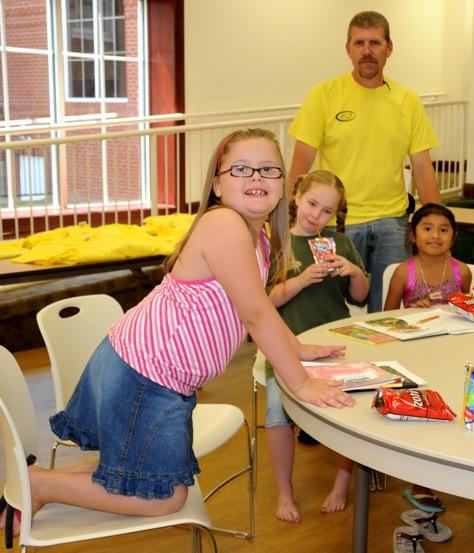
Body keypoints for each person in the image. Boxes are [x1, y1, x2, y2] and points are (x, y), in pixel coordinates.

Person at [1, 128, 356, 538]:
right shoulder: (224, 224)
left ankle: (41, 481)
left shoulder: (257, 234)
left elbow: (257, 305)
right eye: (241, 168)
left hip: (148, 371)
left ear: (282, 185)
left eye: (268, 170)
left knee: (139, 471)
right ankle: (38, 484)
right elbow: (257, 315)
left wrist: (297, 348)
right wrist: (301, 381)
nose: (256, 177)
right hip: (144, 375)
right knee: (165, 495)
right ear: (219, 184)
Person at [288, 10, 441, 313]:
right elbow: (299, 167)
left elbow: (423, 166)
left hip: (392, 224)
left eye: (375, 42)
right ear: (348, 49)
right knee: (336, 309)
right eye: (359, 43)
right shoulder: (324, 95)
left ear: (389, 48)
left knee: (388, 311)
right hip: (336, 225)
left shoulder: (407, 100)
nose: (367, 51)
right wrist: (286, 221)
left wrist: (437, 222)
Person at [265, 170, 370, 523]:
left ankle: (341, 485)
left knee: (345, 415)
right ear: (296, 196)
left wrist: (353, 271)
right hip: (283, 344)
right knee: (277, 418)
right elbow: (266, 302)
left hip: (336, 343)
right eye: (312, 204)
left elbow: (360, 297)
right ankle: (284, 491)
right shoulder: (274, 242)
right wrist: (301, 280)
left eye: (327, 211)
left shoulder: (339, 244)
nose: (316, 215)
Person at [384, 203, 472, 310]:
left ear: (453, 238)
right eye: (427, 229)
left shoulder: (463, 272)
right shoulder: (402, 273)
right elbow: (387, 317)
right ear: (413, 235)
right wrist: (410, 313)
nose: (435, 235)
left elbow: (470, 311)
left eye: (443, 230)